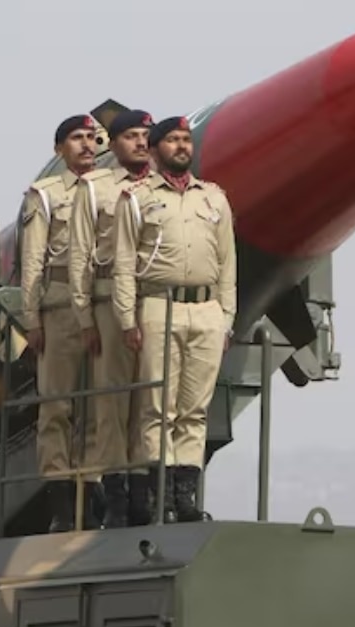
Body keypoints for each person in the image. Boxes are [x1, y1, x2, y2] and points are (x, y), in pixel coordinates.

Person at [111, 115, 236, 523]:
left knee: (194, 410)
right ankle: (157, 497)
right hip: (157, 306)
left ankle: (185, 499)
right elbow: (124, 263)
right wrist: (127, 319)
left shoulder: (213, 199)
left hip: (205, 310)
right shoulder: (137, 198)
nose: (182, 146)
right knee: (156, 407)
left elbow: (227, 264)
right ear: (155, 149)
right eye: (172, 140)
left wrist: (226, 317)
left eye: (186, 139)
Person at [67, 110, 157, 528]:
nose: (140, 142)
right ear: (115, 143)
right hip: (107, 304)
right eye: (131, 136)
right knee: (112, 404)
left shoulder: (162, 189)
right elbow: (80, 254)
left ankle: (142, 495)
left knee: (149, 404)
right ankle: (117, 496)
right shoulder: (95, 188)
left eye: (145, 135)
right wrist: (84, 317)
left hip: (153, 304)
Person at [19, 113, 102, 533]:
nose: (86, 144)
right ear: (59, 149)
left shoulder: (113, 191)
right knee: (57, 407)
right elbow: (32, 261)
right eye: (76, 138)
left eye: (92, 137)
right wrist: (31, 318)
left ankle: (93, 499)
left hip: (103, 308)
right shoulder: (46, 195)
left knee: (98, 408)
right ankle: (62, 506)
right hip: (60, 308)